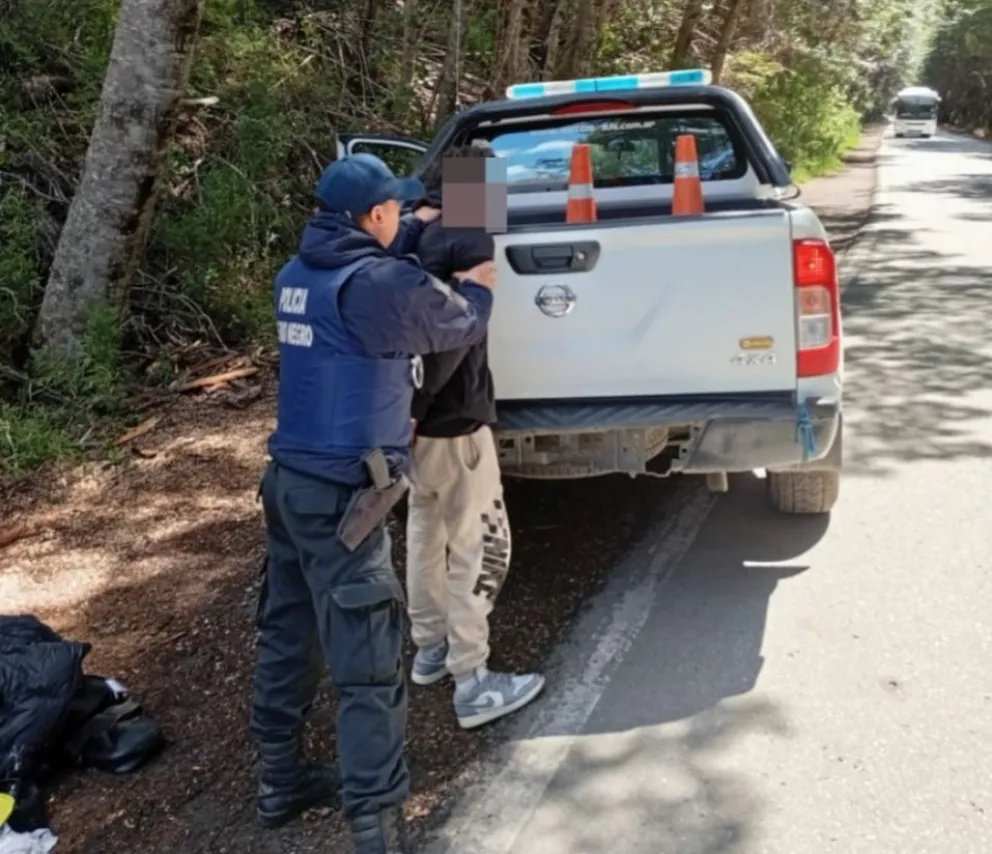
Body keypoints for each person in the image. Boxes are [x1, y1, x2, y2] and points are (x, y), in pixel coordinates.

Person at [249, 152, 496, 854]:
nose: (404, 218)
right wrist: (478, 286)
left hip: (288, 482)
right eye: (398, 209)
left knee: (288, 631)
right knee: (367, 660)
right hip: (342, 496)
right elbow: (455, 323)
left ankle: (281, 781)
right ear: (376, 215)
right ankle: (377, 826)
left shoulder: (297, 275)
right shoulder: (378, 280)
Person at [405, 144, 545, 730]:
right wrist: (433, 404)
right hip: (456, 419)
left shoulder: (406, 235)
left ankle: (430, 648)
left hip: (407, 422)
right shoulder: (470, 238)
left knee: (424, 530)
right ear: (476, 190)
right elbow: (454, 335)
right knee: (479, 543)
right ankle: (473, 680)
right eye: (494, 186)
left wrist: (409, 413)